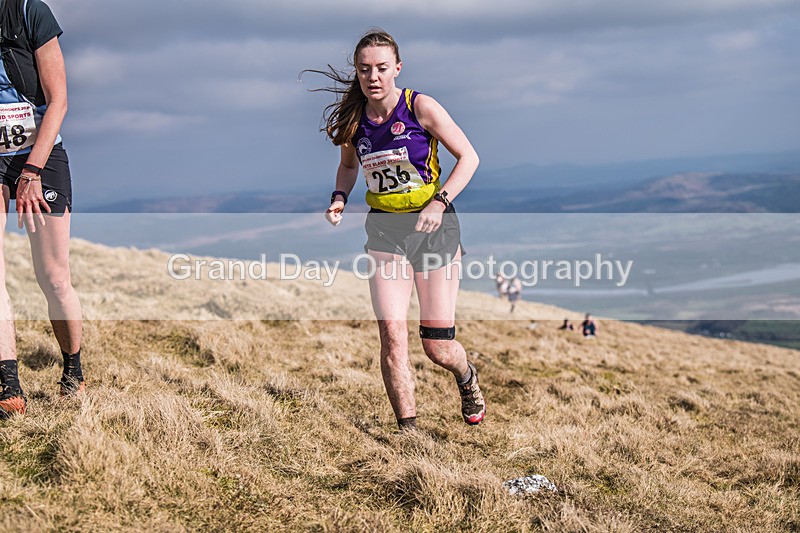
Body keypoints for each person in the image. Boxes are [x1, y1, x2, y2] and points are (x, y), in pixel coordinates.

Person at [316, 30, 485, 430]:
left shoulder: (420, 107)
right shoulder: (353, 119)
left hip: (433, 229)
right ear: (356, 72)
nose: (372, 77)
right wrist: (340, 196)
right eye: (364, 69)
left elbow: (469, 157)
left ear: (397, 69)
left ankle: (466, 376)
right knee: (392, 334)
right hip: (385, 232)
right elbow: (350, 164)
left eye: (380, 68)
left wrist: (438, 202)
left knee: (437, 347)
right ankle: (408, 434)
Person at [0, 0, 84, 419]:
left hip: (39, 152)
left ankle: (73, 370)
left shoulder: (30, 10)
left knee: (54, 278)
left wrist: (32, 170)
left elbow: (59, 100)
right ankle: (8, 382)